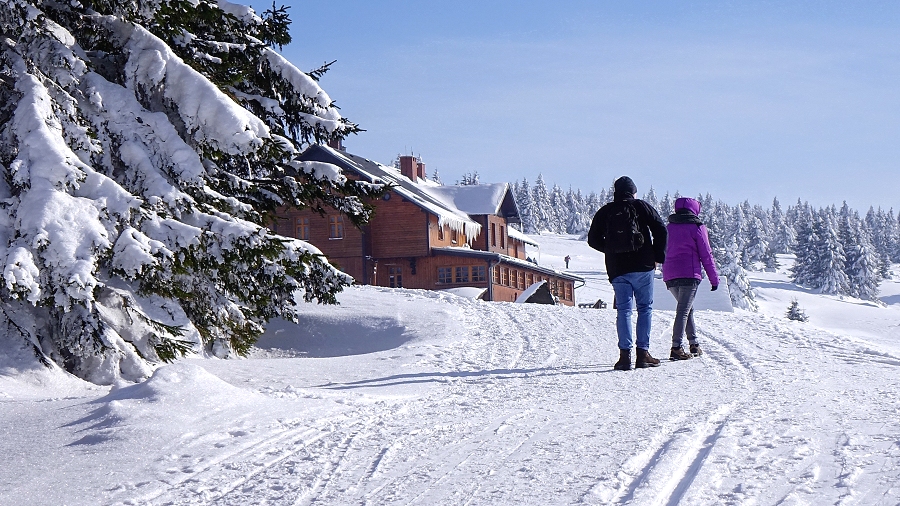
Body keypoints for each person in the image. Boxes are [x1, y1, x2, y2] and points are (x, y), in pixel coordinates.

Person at [588, 176, 667, 370]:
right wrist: (658, 256)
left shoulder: (606, 211)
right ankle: (643, 354)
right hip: (643, 265)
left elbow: (592, 239)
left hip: (618, 269)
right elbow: (661, 229)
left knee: (623, 310)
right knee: (644, 308)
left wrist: (611, 249)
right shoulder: (641, 206)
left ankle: (624, 357)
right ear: (633, 192)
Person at [662, 197, 720, 360]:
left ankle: (694, 344)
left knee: (687, 309)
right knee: (683, 310)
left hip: (670, 276)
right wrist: (714, 279)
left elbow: (660, 250)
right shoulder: (697, 228)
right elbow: (706, 254)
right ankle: (676, 347)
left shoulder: (668, 228)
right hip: (689, 274)